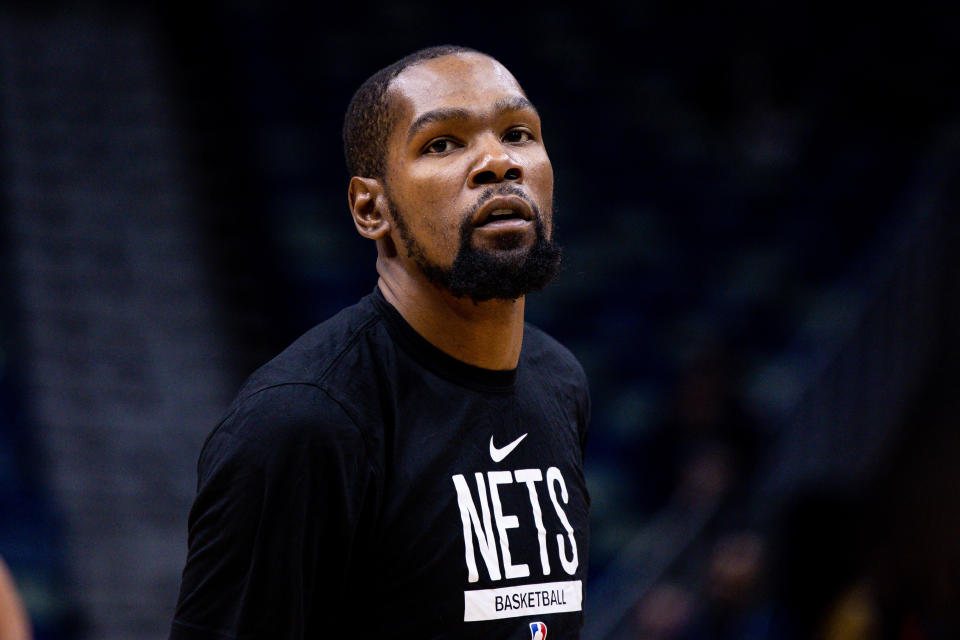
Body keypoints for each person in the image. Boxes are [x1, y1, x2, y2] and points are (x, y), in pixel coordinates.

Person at [169, 45, 591, 639]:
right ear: (371, 208)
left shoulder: (559, 381)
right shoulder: (302, 421)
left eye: (518, 133)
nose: (498, 161)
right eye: (442, 144)